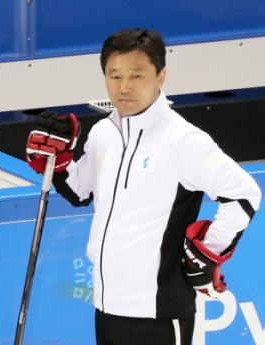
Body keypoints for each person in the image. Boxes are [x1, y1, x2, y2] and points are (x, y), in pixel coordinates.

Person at [26, 28, 261, 345]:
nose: (124, 87)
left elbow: (245, 193)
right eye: (114, 76)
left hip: (158, 314)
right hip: (106, 308)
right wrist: (56, 163)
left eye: (137, 76)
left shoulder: (183, 141)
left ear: (161, 77)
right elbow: (80, 192)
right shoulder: (102, 134)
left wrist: (206, 254)